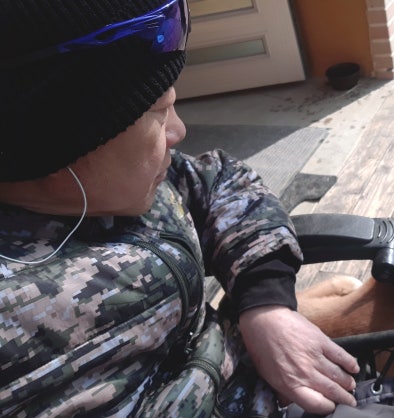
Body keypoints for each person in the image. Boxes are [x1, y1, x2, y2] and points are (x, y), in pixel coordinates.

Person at [0, 0, 361, 416]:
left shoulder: (139, 179)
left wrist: (265, 304)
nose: (179, 130)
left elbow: (221, 181)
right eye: (158, 111)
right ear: (57, 139)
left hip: (263, 370)